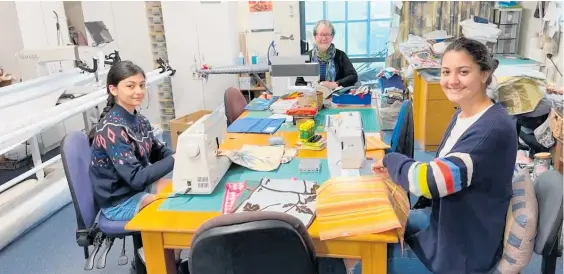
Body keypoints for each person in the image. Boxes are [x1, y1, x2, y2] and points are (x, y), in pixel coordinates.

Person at [321, 38, 518, 274]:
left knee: (355, 259)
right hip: (449, 224)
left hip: (461, 253)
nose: (452, 80)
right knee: (363, 228)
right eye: (446, 72)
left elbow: (432, 181)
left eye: (463, 72)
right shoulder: (464, 116)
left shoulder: (491, 129)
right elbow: (445, 169)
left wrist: (391, 160)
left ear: (485, 74)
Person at [89, 61, 174, 222]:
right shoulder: (111, 129)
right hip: (119, 202)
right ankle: (154, 246)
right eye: (131, 86)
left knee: (185, 191)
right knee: (175, 207)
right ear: (113, 89)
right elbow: (137, 178)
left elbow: (156, 150)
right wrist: (175, 159)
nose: (139, 91)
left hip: (135, 189)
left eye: (142, 85)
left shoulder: (139, 119)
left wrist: (183, 154)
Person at [296, 20, 358, 89]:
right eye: (321, 34)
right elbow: (299, 82)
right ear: (315, 36)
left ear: (332, 37)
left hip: (335, 97)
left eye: (327, 34)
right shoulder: (306, 57)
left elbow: (353, 76)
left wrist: (335, 84)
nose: (324, 38)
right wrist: (309, 89)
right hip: (312, 97)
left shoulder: (341, 55)